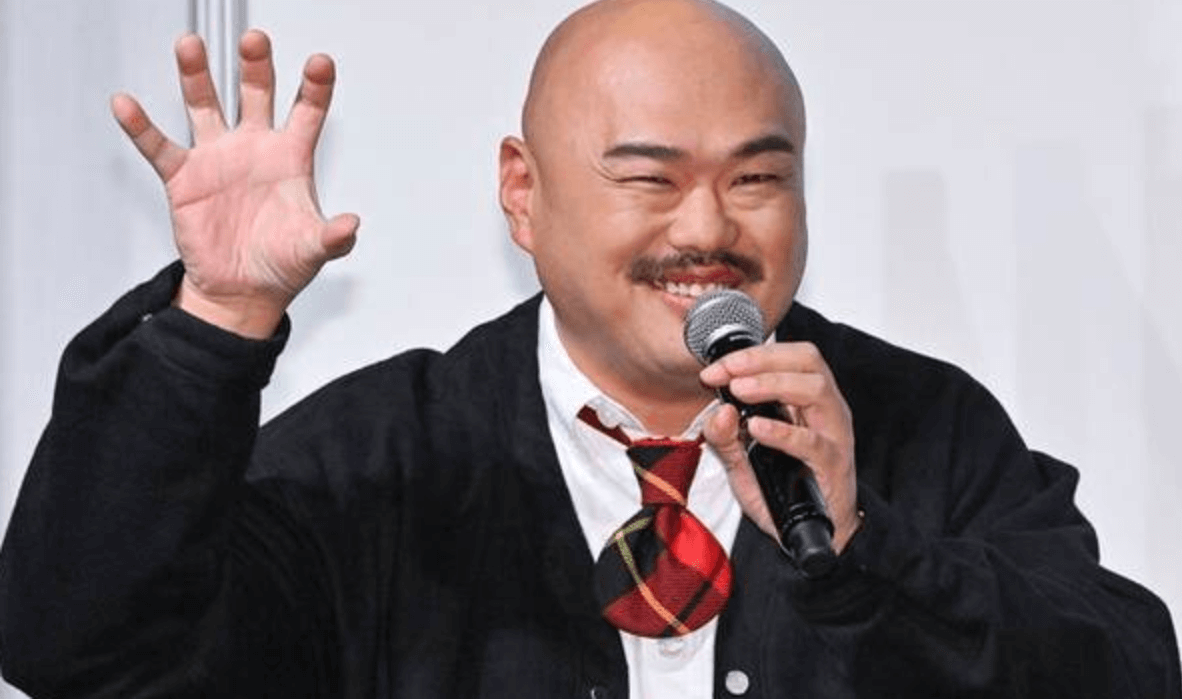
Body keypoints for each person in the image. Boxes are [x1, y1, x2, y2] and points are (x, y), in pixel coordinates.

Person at [0, 0, 1178, 696]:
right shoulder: (385, 455)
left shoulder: (913, 424)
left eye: (757, 179)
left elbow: (1127, 671)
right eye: (650, 179)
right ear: (524, 194)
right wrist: (213, 328)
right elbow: (77, 648)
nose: (708, 229)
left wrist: (866, 547)